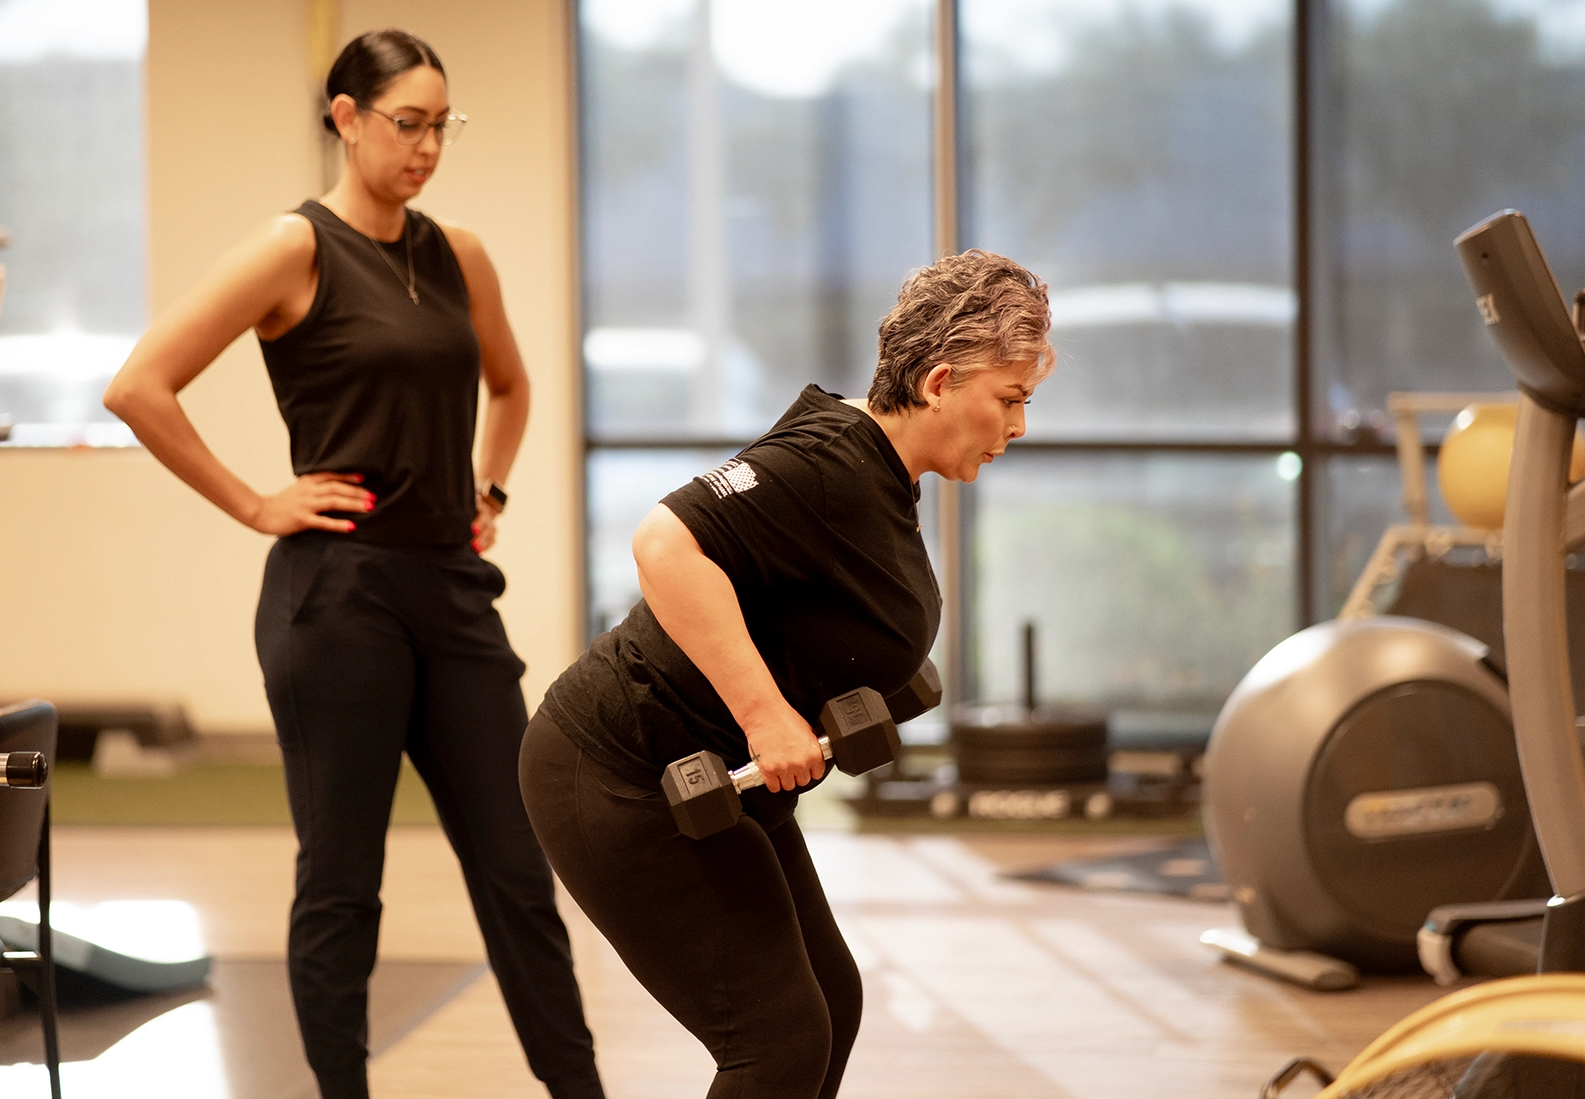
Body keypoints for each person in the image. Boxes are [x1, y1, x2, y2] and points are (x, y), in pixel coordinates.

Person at [103, 29, 604, 1099]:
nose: (427, 147)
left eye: (441, 125)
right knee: (343, 881)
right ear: (345, 117)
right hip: (336, 596)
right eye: (406, 123)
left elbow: (511, 387)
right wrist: (254, 502)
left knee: (520, 872)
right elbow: (140, 385)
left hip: (452, 590)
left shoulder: (459, 253)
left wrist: (492, 487)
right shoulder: (296, 247)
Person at [520, 250, 1053, 1099]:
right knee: (777, 1040)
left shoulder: (881, 476)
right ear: (943, 380)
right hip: (616, 770)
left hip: (715, 786)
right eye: (1011, 399)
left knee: (829, 1003)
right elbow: (665, 542)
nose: (1018, 427)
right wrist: (767, 715)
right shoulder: (830, 458)